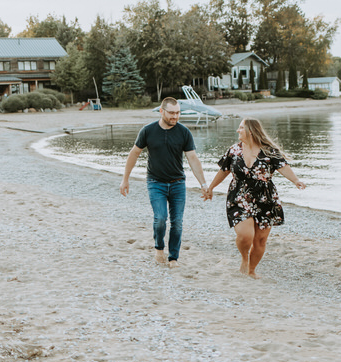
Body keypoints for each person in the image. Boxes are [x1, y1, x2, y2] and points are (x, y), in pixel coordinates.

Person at [203, 117, 306, 277]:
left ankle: (251, 270)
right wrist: (211, 187)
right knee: (245, 235)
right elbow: (224, 170)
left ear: (250, 131)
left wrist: (296, 180)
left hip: (266, 199)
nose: (238, 130)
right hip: (239, 196)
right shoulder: (234, 150)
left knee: (260, 240)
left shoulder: (269, 151)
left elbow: (283, 167)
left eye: (241, 128)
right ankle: (245, 258)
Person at [119, 97, 208, 267]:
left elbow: (193, 158)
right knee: (160, 219)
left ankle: (173, 257)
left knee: (177, 223)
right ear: (162, 111)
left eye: (178, 113)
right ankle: (159, 247)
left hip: (178, 183)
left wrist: (203, 184)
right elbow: (134, 153)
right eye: (172, 113)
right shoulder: (148, 131)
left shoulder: (184, 132)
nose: (175, 116)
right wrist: (125, 179)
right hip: (155, 183)